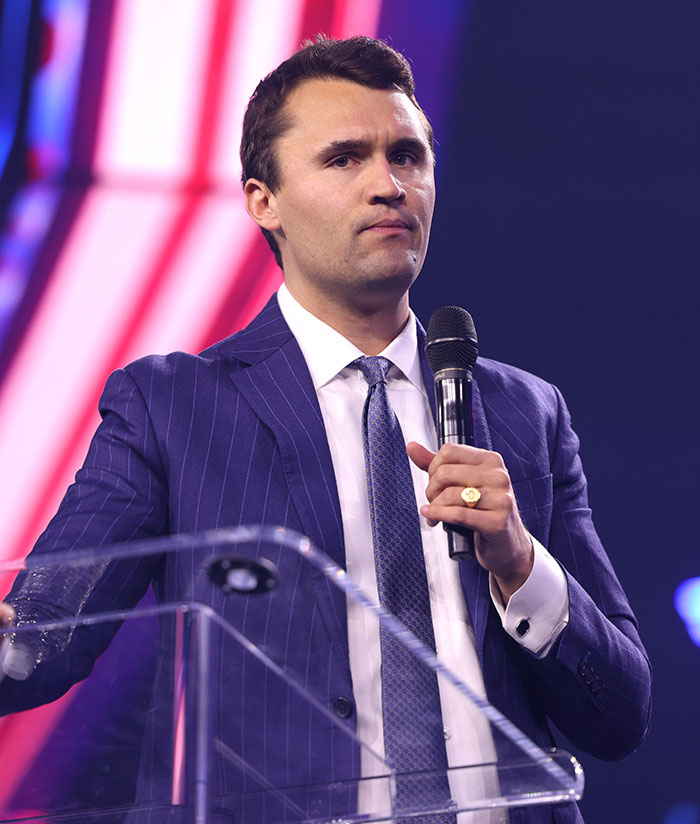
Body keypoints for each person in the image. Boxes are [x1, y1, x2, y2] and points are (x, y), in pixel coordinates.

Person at [0, 35, 650, 823]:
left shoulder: (524, 412)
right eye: (345, 159)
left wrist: (520, 564)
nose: (389, 185)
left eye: (407, 156)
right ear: (262, 200)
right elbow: (37, 642)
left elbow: (619, 715)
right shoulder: (170, 407)